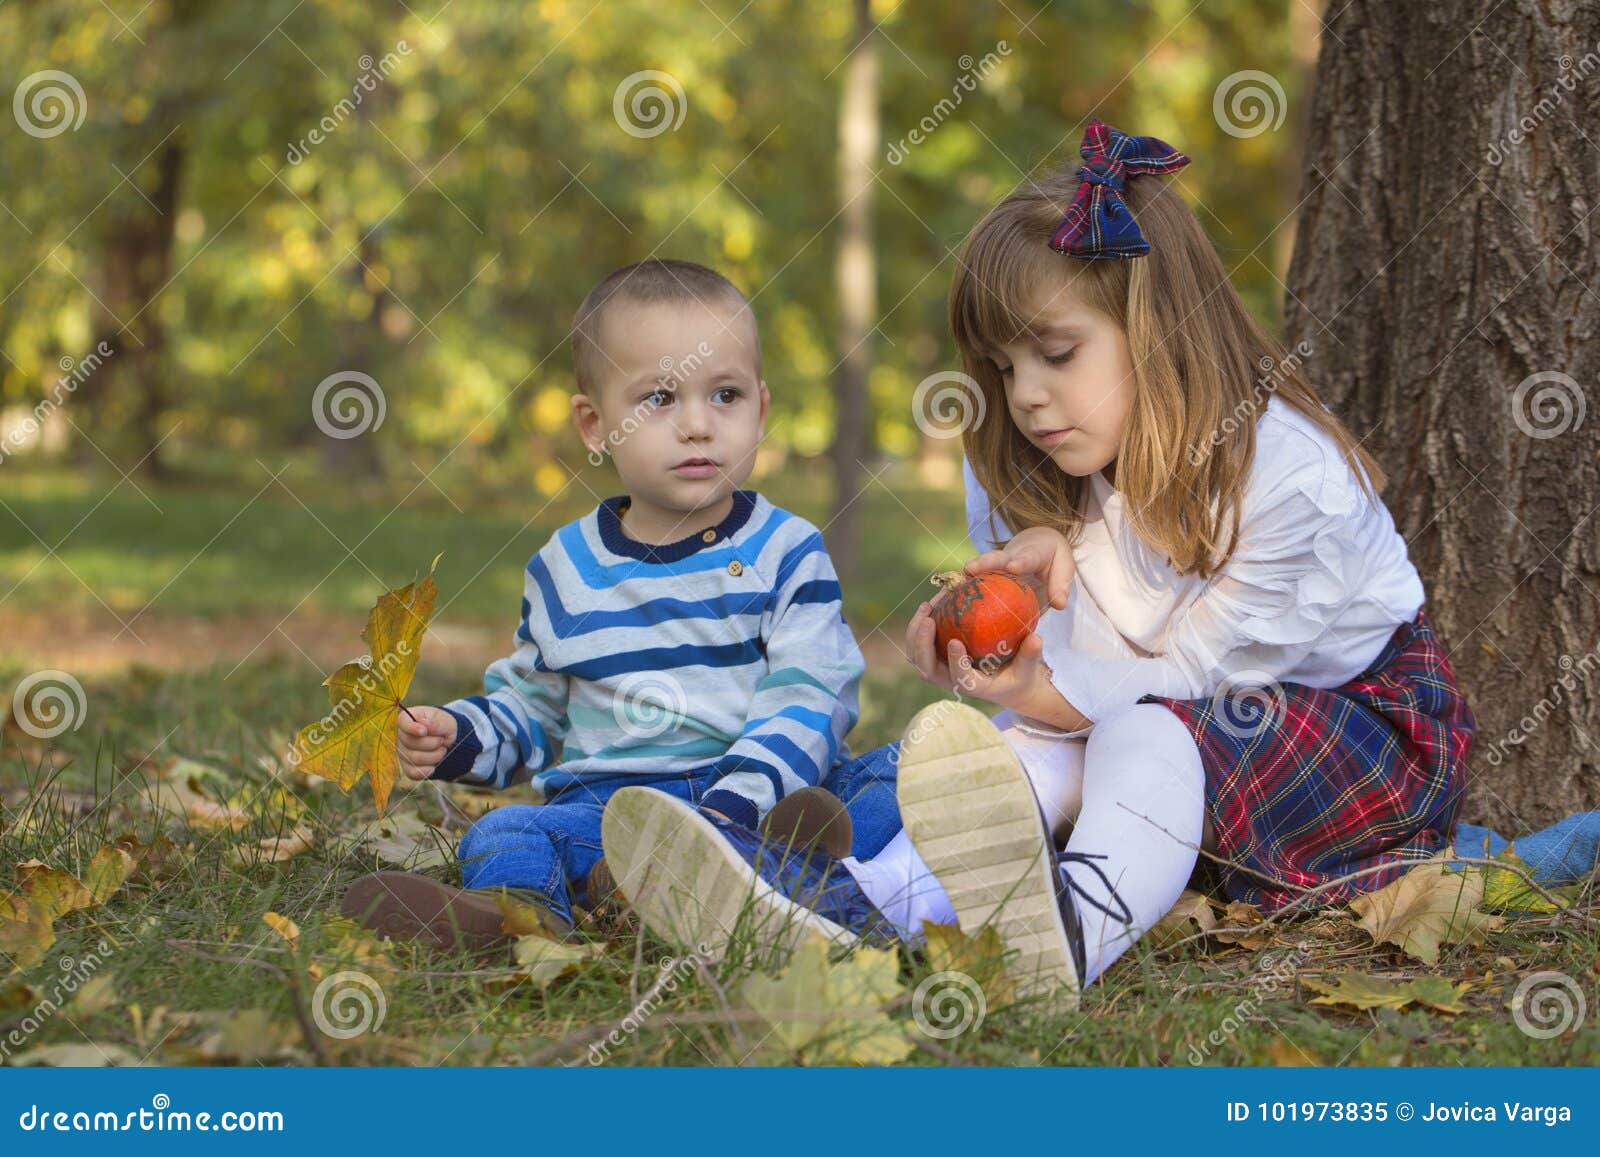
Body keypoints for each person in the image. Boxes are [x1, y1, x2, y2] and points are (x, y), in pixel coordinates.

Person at [602, 121, 1476, 1006]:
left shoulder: (1290, 481)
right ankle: (863, 914)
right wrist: (1009, 637)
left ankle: (1069, 932)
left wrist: (1032, 687)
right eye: (1004, 365)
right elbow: (1074, 695)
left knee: (1133, 732)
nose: (1024, 395)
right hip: (1160, 747)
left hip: (1360, 743)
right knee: (1011, 759)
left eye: (1057, 354)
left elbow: (1182, 686)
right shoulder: (1039, 470)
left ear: (1159, 331)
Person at [341, 258, 883, 951]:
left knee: (891, 775)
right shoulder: (567, 569)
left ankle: (733, 872)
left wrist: (733, 806)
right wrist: (460, 734)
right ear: (595, 426)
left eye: (725, 395)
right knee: (504, 829)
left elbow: (812, 692)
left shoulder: (786, 549)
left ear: (762, 410)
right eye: (658, 399)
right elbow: (533, 709)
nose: (697, 425)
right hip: (610, 809)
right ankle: (524, 918)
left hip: (757, 797)